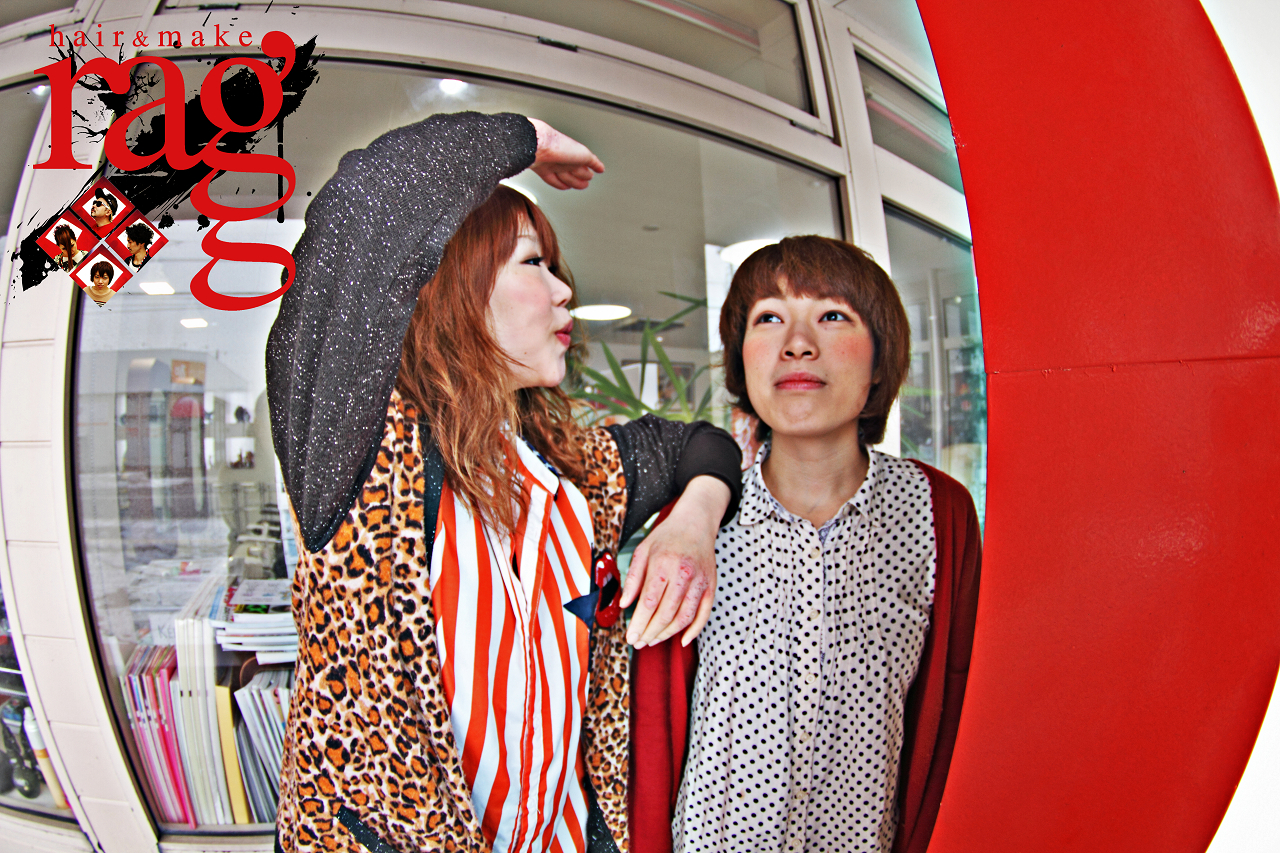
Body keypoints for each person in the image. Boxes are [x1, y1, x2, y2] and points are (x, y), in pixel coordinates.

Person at [267, 112, 743, 853]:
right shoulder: (362, 460)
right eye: (533, 263)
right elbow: (365, 200)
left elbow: (702, 446)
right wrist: (526, 139)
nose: (564, 292)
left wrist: (693, 523)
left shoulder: (575, 471)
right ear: (450, 283)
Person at [632, 236, 982, 853]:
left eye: (832, 316)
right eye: (769, 318)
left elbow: (953, 713)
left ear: (880, 361)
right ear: (742, 361)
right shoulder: (697, 523)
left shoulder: (937, 514)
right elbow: (655, 739)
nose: (797, 343)